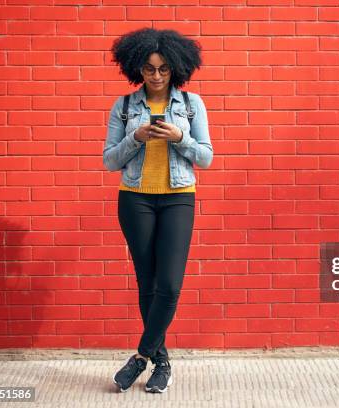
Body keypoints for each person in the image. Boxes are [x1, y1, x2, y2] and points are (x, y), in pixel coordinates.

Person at [103, 28, 213, 393]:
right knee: (147, 283)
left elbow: (207, 157)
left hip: (178, 197)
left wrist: (180, 138)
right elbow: (108, 160)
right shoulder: (123, 107)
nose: (156, 76)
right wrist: (135, 139)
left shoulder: (192, 104)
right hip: (135, 199)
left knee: (169, 284)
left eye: (163, 69)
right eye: (149, 69)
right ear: (138, 68)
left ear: (176, 69)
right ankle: (162, 362)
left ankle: (140, 356)